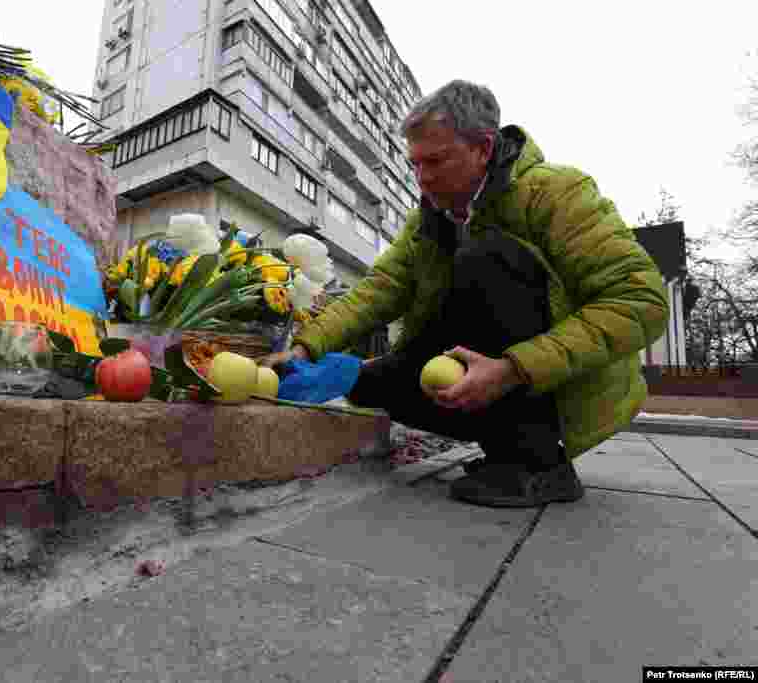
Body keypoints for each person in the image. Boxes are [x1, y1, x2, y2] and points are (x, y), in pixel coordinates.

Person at [264, 80, 670, 508]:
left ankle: (538, 463)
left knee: (487, 256)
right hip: (479, 376)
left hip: (562, 388)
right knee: (365, 386)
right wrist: (306, 349)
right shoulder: (431, 219)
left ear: (482, 147)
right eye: (415, 165)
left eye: (435, 161)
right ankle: (502, 444)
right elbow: (379, 289)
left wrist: (513, 369)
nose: (423, 179)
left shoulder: (557, 193)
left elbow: (640, 301)